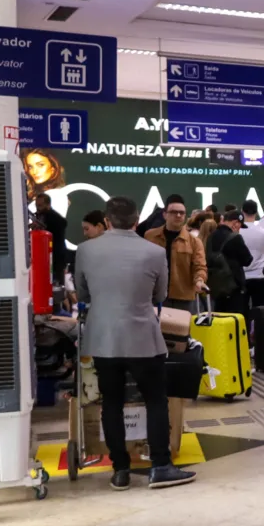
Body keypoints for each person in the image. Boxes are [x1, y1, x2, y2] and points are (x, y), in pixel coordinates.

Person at [76, 196, 196, 495]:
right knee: (155, 399)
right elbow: (160, 293)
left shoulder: (86, 250)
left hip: (103, 338)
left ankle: (120, 470)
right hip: (143, 337)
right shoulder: (153, 252)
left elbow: (82, 291)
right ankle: (160, 465)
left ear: (106, 220)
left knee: (111, 403)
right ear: (137, 218)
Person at [142, 195, 206, 313]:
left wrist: (199, 280)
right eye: (174, 212)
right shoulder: (150, 236)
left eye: (182, 213)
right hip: (154, 294)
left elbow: (200, 266)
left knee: (181, 330)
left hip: (182, 297)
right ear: (164, 214)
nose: (178, 215)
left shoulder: (194, 242)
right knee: (154, 330)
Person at [205, 211, 253, 317]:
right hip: (233, 285)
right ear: (235, 223)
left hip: (215, 285)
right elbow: (247, 260)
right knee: (235, 318)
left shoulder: (211, 236)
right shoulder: (235, 238)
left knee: (218, 316)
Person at [33, 192, 70, 284]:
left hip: (55, 256)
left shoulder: (53, 217)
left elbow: (63, 223)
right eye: (36, 205)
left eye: (40, 205)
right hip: (45, 256)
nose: (38, 208)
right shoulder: (41, 216)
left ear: (48, 205)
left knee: (57, 283)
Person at [69, 209, 108, 288]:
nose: (85, 233)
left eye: (87, 229)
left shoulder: (85, 249)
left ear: (99, 226)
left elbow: (81, 285)